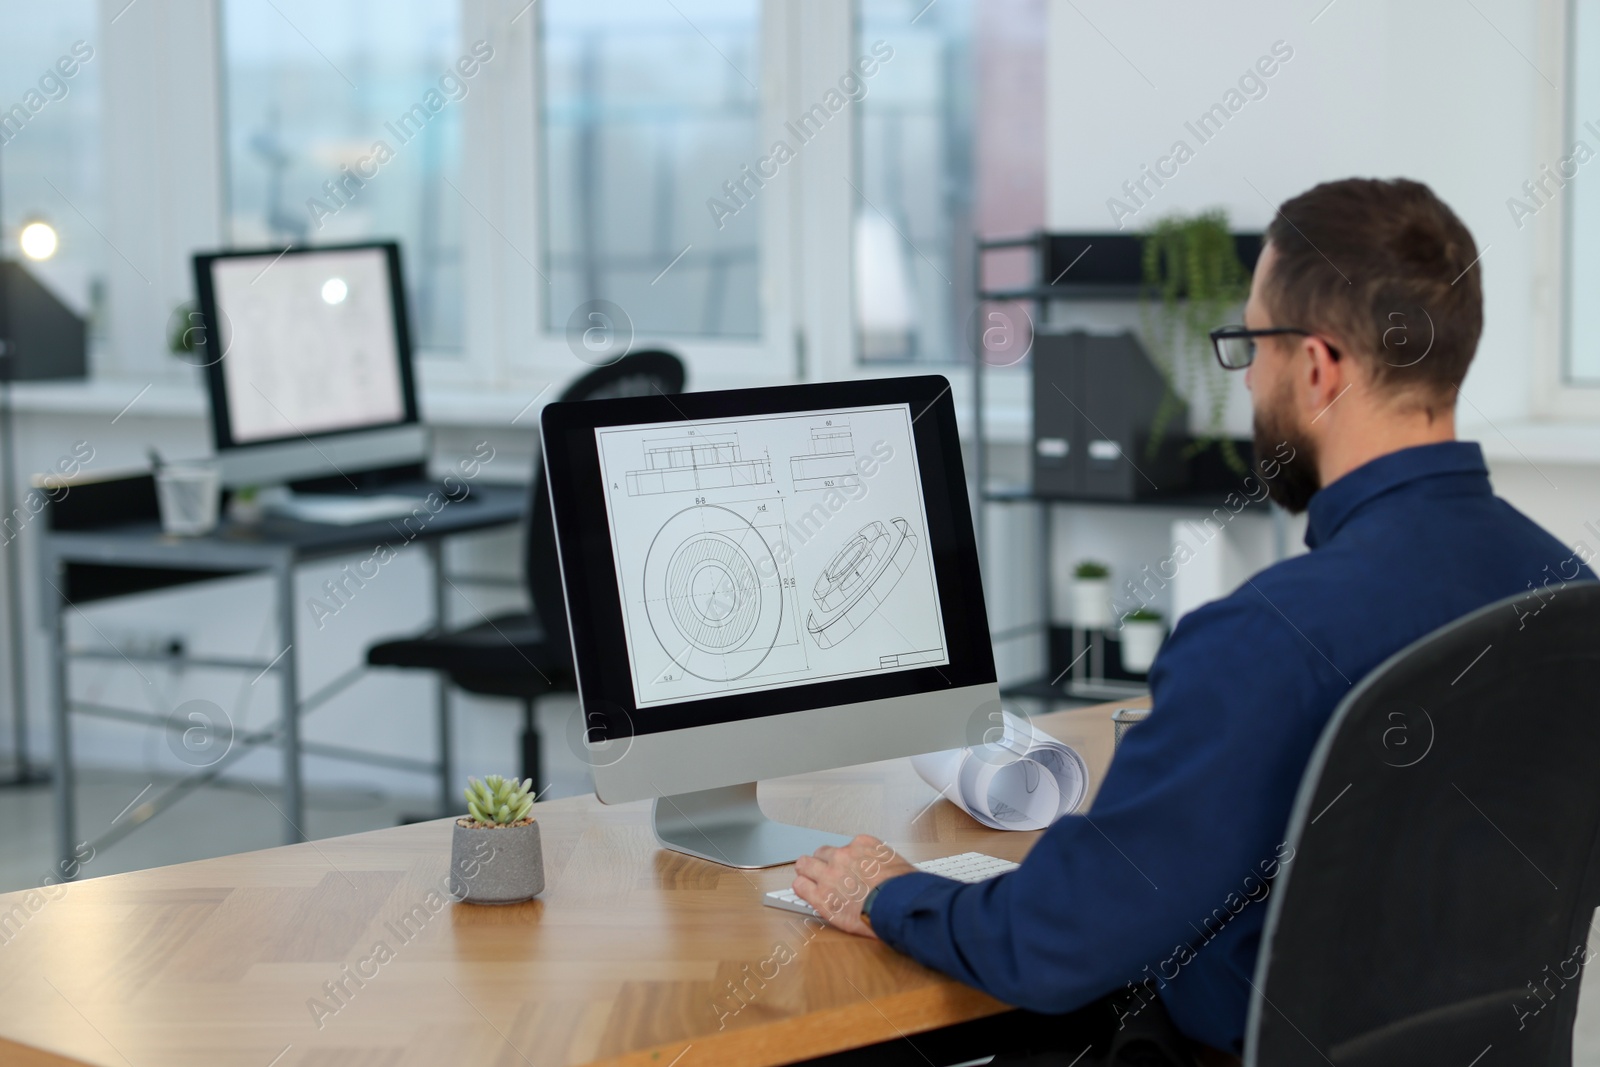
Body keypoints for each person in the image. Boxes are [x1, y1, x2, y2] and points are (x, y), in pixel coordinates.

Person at [791, 177, 1597, 1066]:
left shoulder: (1268, 638)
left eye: (1251, 344)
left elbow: (1051, 945)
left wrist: (887, 890)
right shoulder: (1567, 592)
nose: (1248, 375)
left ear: (1319, 364)